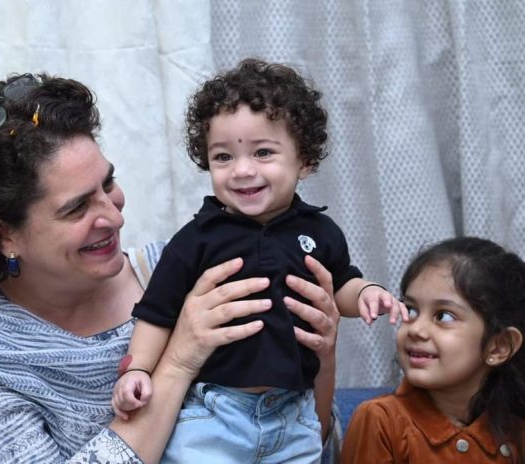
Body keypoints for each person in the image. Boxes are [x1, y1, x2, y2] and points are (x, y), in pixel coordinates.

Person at [0, 71, 343, 464]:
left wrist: (322, 358)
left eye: (107, 183)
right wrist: (178, 361)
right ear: (1, 233)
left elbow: (307, 443)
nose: (114, 216)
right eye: (76, 208)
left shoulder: (189, 272)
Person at [112, 58, 407, 463]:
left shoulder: (320, 231)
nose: (242, 170)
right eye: (223, 157)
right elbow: (157, 313)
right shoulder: (196, 239)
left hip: (294, 413)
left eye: (263, 152)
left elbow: (341, 286)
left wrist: (368, 292)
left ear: (305, 160)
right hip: (213, 413)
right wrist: (137, 370)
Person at [342, 237, 525, 463]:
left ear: (499, 347)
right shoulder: (381, 421)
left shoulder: (516, 429)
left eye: (443, 316)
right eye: (411, 310)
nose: (416, 329)